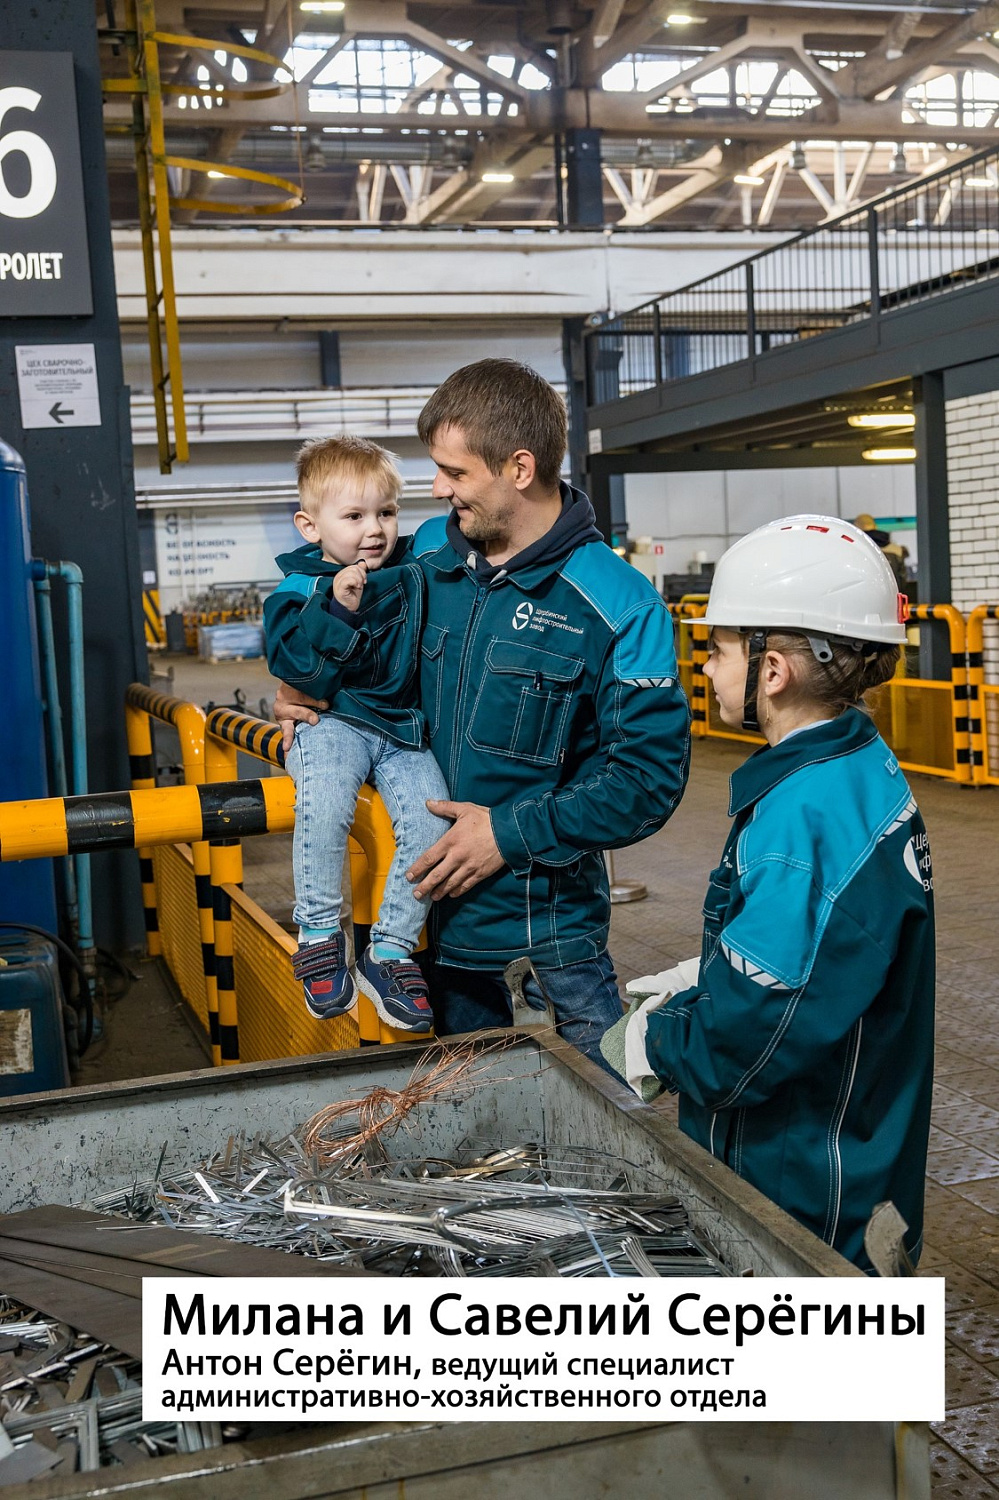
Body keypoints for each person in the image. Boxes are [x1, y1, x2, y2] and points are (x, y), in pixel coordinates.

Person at [274, 360, 690, 1066]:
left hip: (553, 933)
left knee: (609, 1119)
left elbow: (646, 780)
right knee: (480, 1132)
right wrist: (304, 691)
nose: (437, 489)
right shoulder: (424, 556)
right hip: (436, 931)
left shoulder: (619, 605)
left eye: (454, 473)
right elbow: (328, 609)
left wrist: (508, 834)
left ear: (519, 468)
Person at [603, 514, 934, 1270]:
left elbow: (747, 1039)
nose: (707, 668)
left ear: (773, 670)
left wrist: (661, 1037)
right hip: (853, 1149)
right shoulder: (853, 765)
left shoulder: (802, 821)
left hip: (801, 1187)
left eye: (717, 649)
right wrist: (711, 972)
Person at [264, 436, 450, 1033]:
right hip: (335, 722)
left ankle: (390, 947)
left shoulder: (410, 569)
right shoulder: (298, 590)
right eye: (353, 516)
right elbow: (297, 671)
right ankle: (319, 930)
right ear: (309, 525)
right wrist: (338, 611)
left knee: (432, 817)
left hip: (398, 729)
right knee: (326, 804)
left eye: (386, 512)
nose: (374, 529)